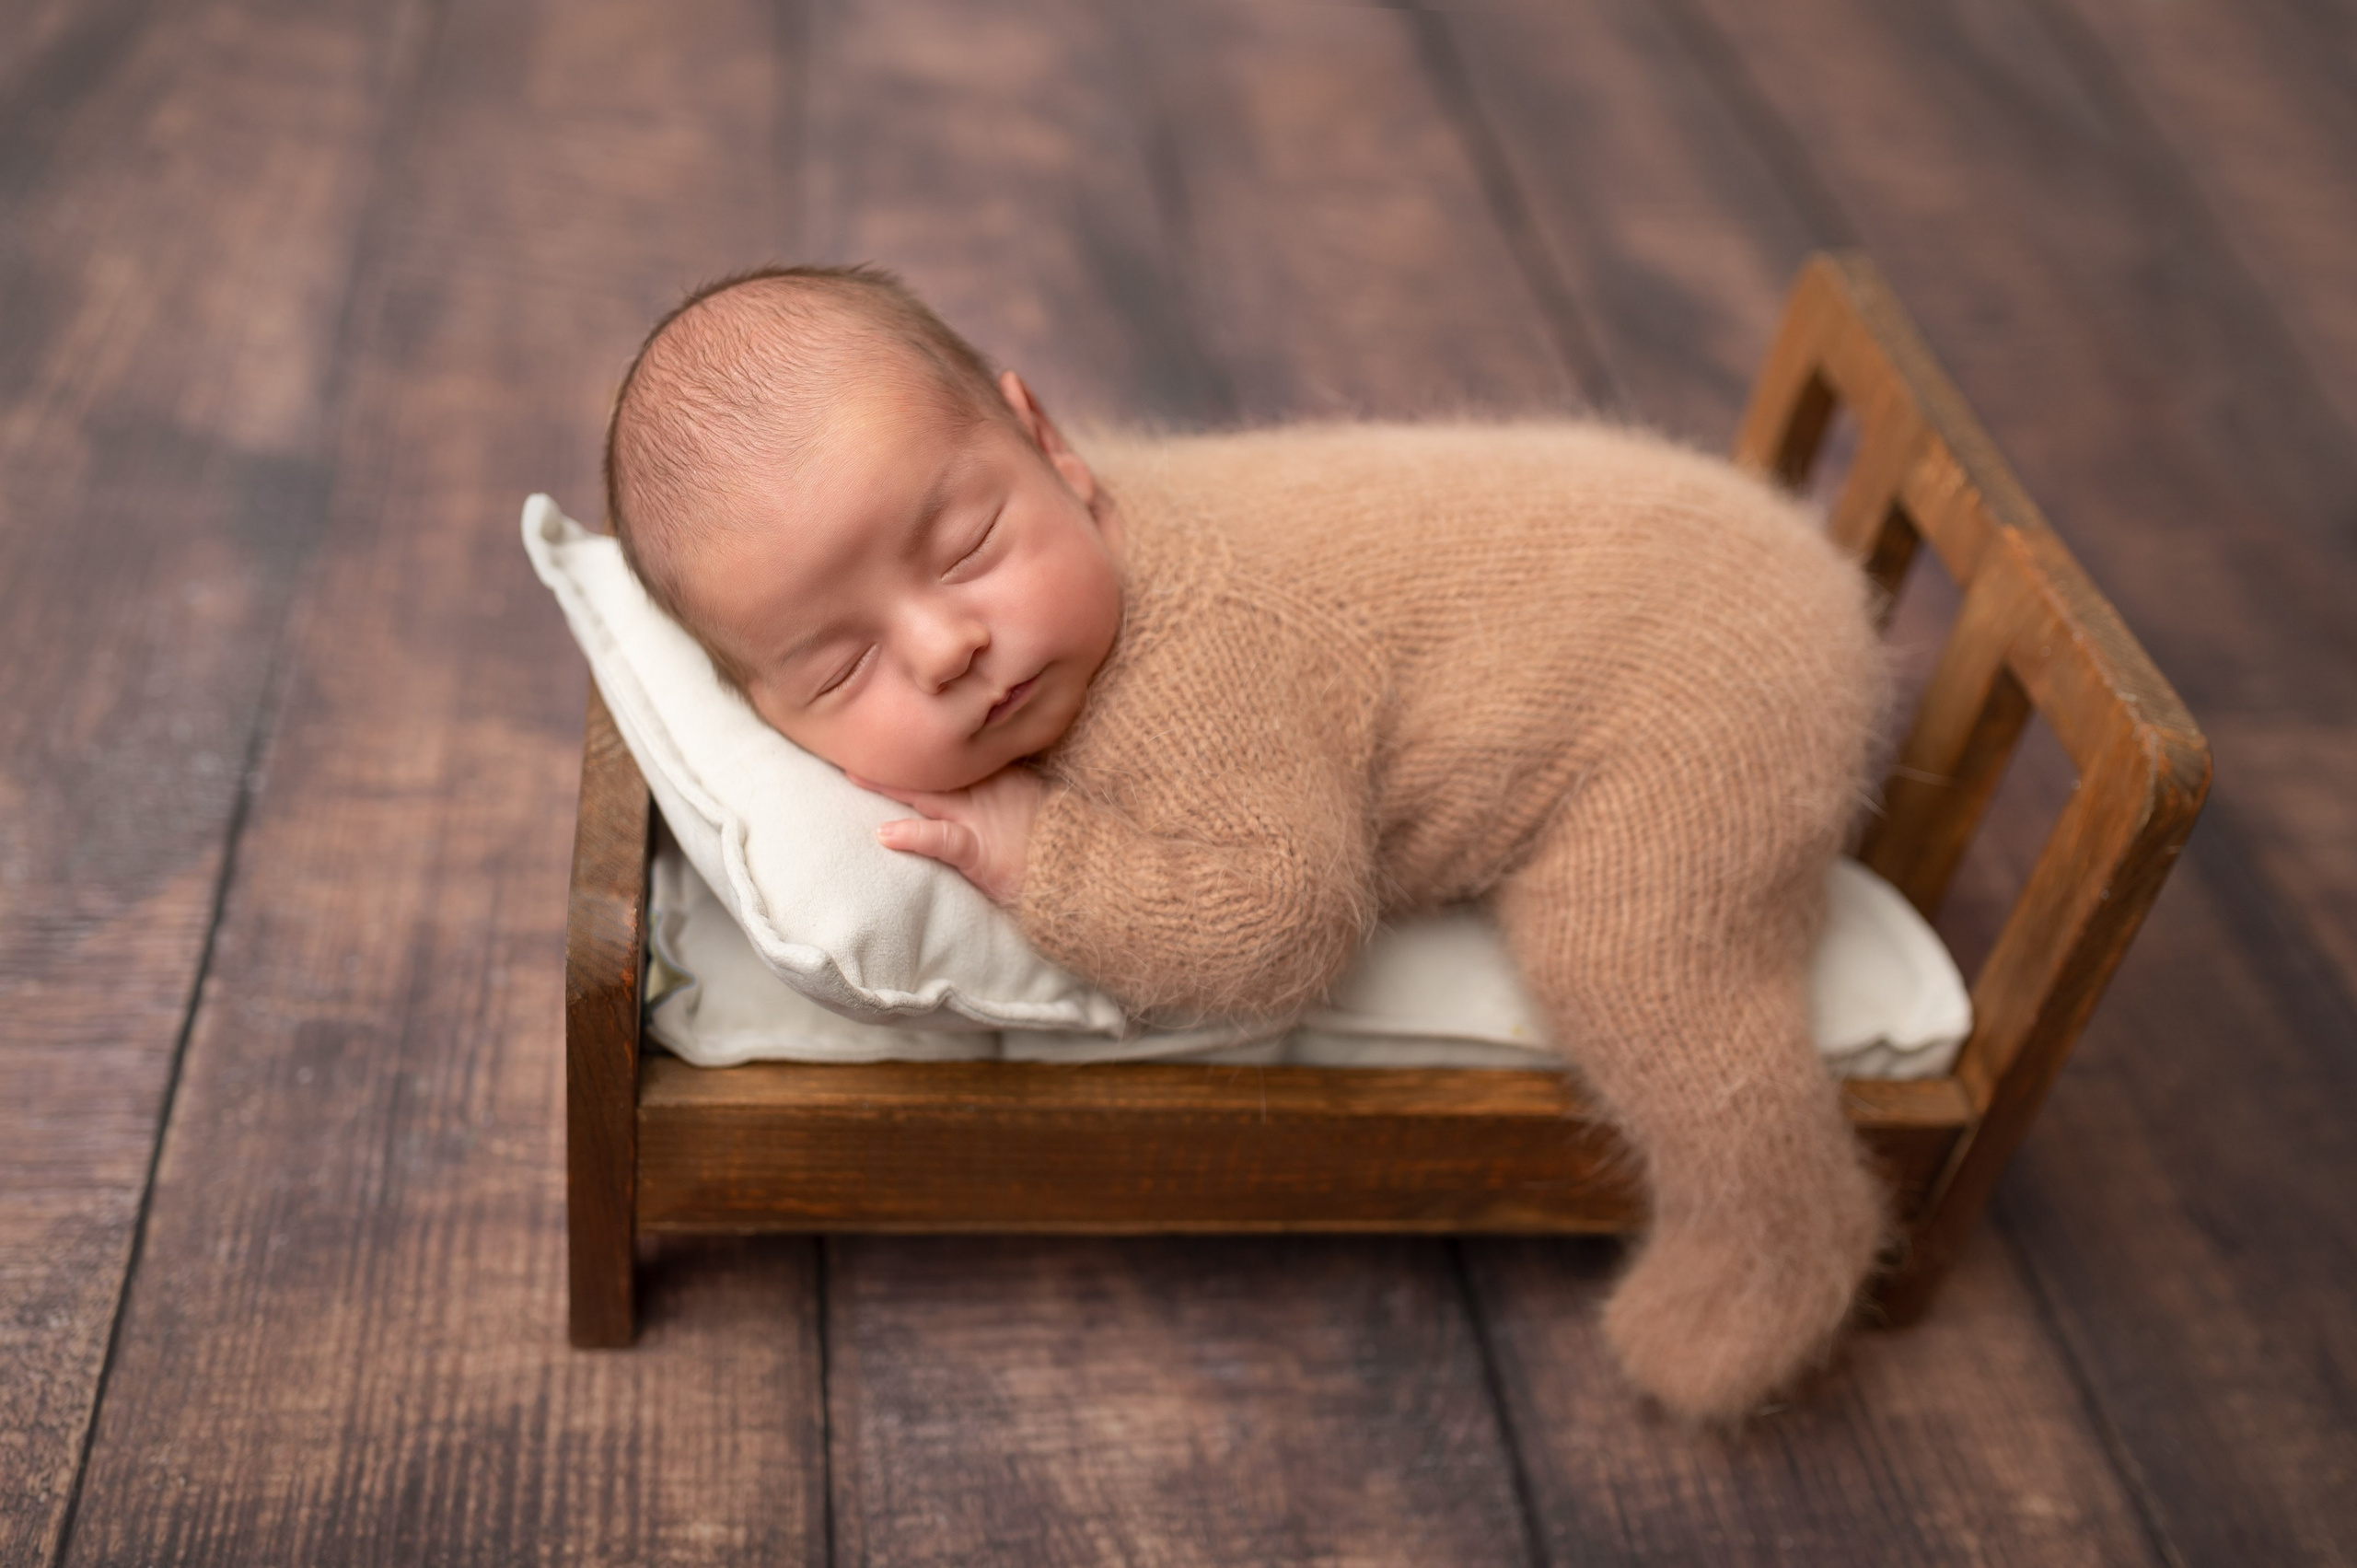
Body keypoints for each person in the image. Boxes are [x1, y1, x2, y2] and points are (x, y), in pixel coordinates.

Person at [605, 263, 1890, 1423]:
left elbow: (1283, 933)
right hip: (1663, 543)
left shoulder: (1197, 671)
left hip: (1709, 665)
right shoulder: (1055, 571)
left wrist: (1044, 854)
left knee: (1634, 964)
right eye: (843, 668)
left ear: (1053, 447)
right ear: (757, 710)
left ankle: (1781, 1229)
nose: (948, 649)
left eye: (969, 547)